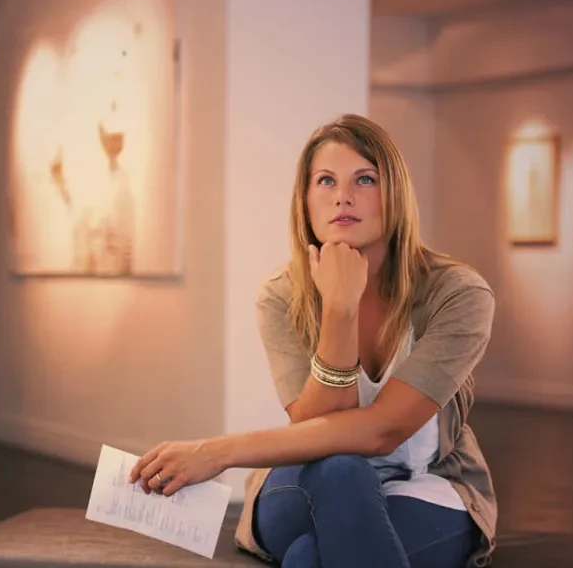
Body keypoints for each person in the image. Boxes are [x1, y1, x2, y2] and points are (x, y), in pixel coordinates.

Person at [129, 114, 496, 568]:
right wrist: (338, 311)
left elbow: (384, 431)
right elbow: (320, 431)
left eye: (365, 179)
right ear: (305, 201)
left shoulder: (458, 294)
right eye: (326, 180)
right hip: (306, 479)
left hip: (427, 483)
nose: (343, 195)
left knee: (309, 557)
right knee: (342, 469)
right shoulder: (281, 295)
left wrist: (218, 451)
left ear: (395, 195)